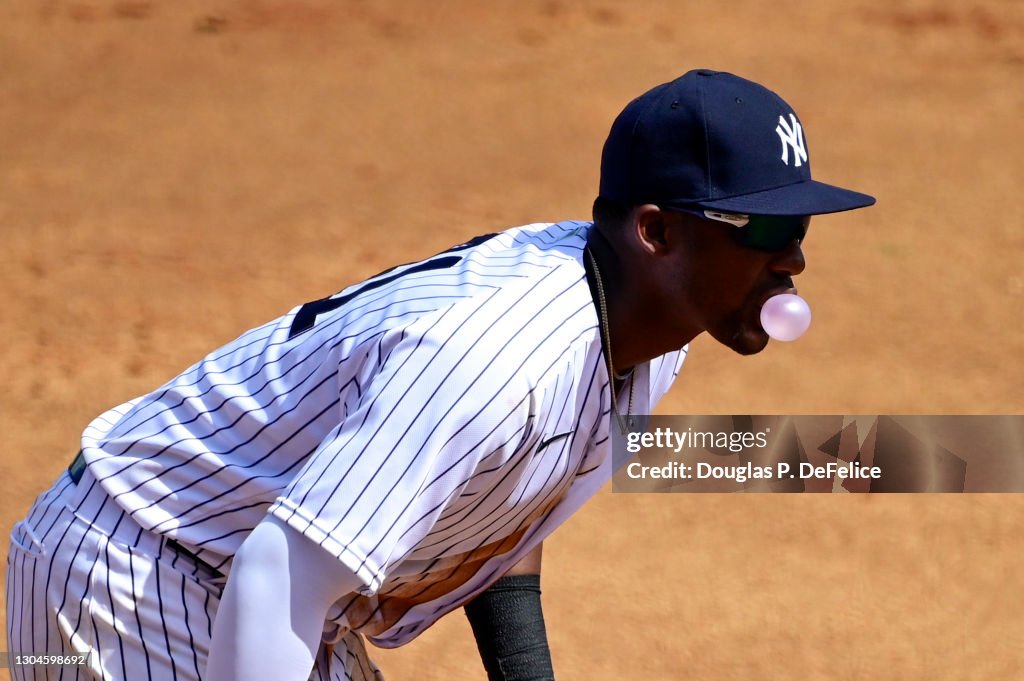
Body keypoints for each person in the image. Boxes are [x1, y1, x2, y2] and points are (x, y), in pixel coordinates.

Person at [5, 69, 875, 681]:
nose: (792, 256)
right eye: (761, 231)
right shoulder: (496, 356)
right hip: (132, 575)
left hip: (231, 579)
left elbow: (500, 508)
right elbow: (278, 571)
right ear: (657, 231)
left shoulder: (653, 324)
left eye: (800, 227)